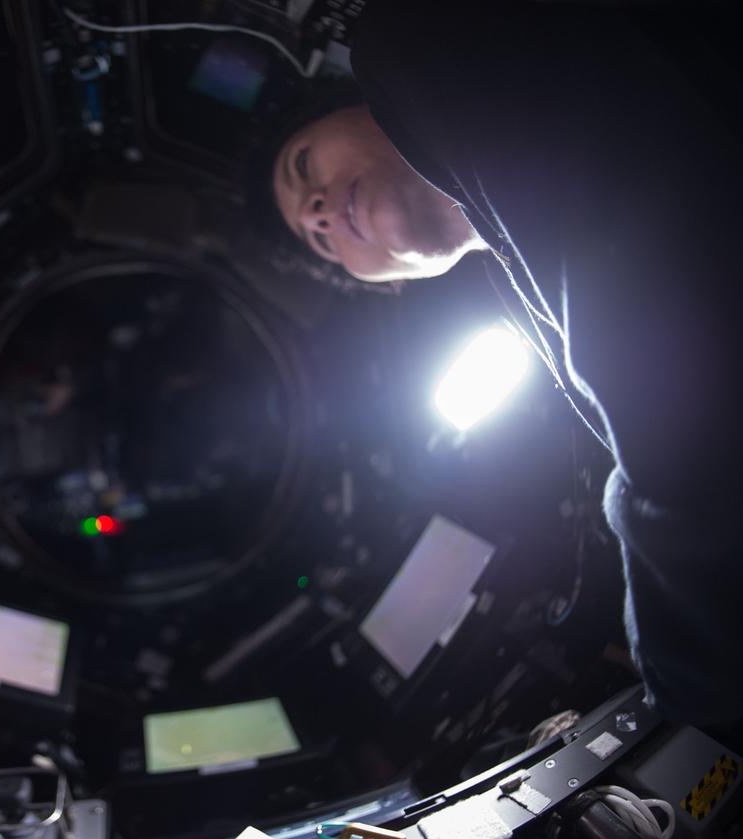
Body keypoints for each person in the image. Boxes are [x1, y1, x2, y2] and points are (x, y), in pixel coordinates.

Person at [268, 0, 742, 724]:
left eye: (305, 169)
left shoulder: (425, 43)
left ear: (357, 105)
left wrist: (697, 703)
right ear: (392, 281)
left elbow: (695, 436)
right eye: (320, 237)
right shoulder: (535, 294)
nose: (322, 211)